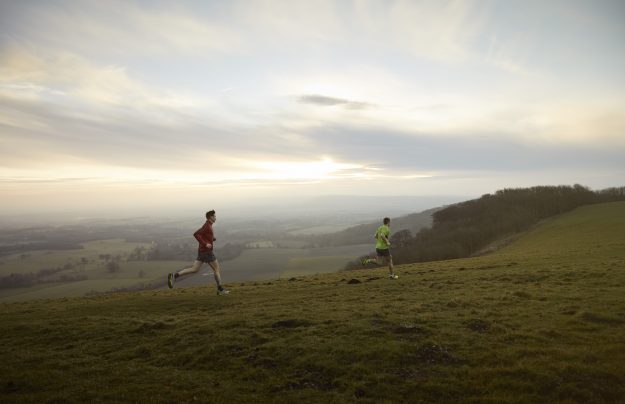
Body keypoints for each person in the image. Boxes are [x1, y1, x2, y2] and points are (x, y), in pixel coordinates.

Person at [168, 210, 230, 295]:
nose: (216, 217)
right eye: (214, 216)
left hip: (202, 252)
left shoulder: (208, 225)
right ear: (210, 217)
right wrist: (206, 244)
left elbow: (204, 235)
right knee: (216, 269)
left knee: (194, 269)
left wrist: (211, 239)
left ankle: (175, 276)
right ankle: (220, 289)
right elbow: (196, 234)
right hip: (207, 252)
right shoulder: (207, 226)